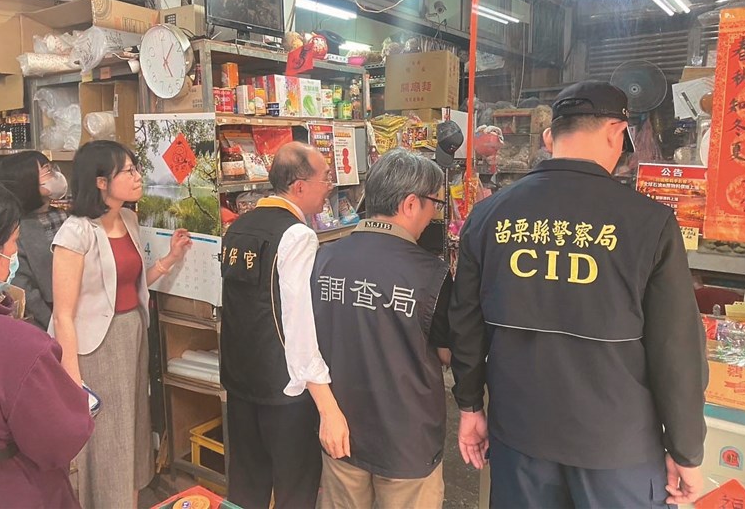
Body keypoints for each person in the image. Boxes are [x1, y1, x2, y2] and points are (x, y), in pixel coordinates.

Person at [450, 81, 708, 508]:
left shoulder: (489, 216)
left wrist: (469, 406)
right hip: (616, 450)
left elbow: (465, 322)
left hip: (520, 438)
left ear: (550, 137)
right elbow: (676, 349)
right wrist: (686, 451)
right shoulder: (650, 223)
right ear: (616, 131)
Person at [51, 140, 191, 509]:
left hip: (133, 334)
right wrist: (72, 377)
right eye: (128, 171)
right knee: (106, 434)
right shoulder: (75, 232)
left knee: (132, 426)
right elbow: (63, 314)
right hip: (95, 348)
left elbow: (130, 283)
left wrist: (170, 260)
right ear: (101, 182)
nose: (137, 176)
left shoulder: (128, 220)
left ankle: (128, 500)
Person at [312, 148, 452, 509]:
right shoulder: (431, 274)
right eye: (434, 203)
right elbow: (446, 353)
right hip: (406, 440)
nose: (434, 214)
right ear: (410, 204)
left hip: (341, 430)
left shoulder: (324, 258)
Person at [220, 141, 349, 509]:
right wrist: (326, 404)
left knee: (246, 487)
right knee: (295, 490)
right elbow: (298, 321)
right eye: (325, 179)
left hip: (241, 382)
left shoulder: (239, 227)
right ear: (299, 186)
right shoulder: (296, 235)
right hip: (285, 390)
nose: (329, 188)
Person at [0, 178, 93, 508]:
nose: (14, 255)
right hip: (8, 491)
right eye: (12, 243)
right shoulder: (17, 346)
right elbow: (60, 439)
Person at [0, 151, 70, 330]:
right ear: (26, 182)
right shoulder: (17, 230)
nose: (55, 175)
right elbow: (24, 287)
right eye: (47, 170)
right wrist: (53, 323)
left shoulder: (64, 215)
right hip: (48, 321)